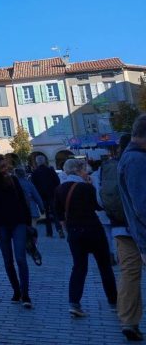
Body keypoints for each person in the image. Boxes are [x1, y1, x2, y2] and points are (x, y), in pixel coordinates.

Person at [54, 158, 117, 318]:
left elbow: (59, 214)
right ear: (78, 170)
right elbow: (99, 205)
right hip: (93, 229)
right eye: (84, 170)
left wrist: (66, 229)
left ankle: (74, 303)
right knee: (104, 266)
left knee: (79, 267)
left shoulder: (60, 189)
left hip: (74, 232)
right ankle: (114, 301)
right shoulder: (86, 188)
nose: (86, 172)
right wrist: (94, 184)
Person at [0, 153, 32, 308]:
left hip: (19, 222)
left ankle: (25, 294)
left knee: (21, 258)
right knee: (8, 260)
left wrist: (29, 225)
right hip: (1, 224)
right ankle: (16, 290)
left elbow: (23, 203)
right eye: (2, 166)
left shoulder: (13, 180)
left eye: (6, 165)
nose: (6, 168)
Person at [119, 115, 146, 341]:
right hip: (140, 233)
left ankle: (128, 320)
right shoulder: (137, 160)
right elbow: (143, 205)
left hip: (123, 229)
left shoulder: (125, 158)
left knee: (129, 275)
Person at [31, 154, 64, 238]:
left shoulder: (35, 173)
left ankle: (49, 232)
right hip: (52, 195)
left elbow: (33, 186)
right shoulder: (50, 170)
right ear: (45, 161)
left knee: (45, 215)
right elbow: (57, 181)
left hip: (41, 197)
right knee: (55, 213)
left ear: (37, 162)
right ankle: (59, 229)